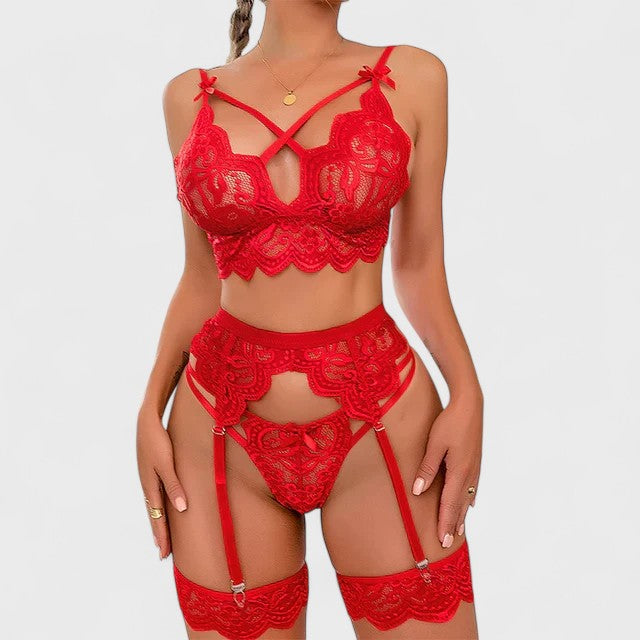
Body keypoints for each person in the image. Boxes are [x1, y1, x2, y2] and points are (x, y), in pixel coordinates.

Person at [136, 1, 483, 638]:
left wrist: (468, 393)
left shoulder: (414, 76)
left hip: (381, 414)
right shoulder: (189, 96)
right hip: (216, 425)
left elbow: (419, 268)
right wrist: (148, 410)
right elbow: (202, 278)